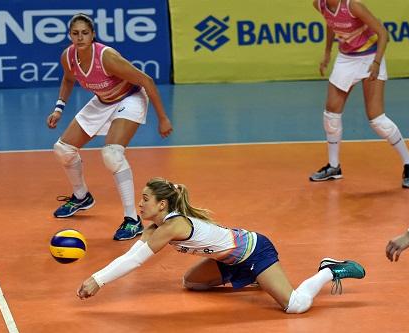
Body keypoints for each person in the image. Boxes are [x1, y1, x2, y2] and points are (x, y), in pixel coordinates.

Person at [77, 177, 365, 313]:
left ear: (162, 204)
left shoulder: (173, 225)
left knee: (295, 306)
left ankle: (328, 270)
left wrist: (97, 280)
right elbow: (133, 253)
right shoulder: (157, 226)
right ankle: (256, 279)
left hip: (254, 251)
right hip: (229, 259)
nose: (139, 203)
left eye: (145, 199)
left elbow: (135, 260)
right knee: (192, 283)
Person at [46, 13, 173, 241]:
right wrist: (58, 108)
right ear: (70, 35)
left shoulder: (106, 57)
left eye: (85, 33)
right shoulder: (69, 56)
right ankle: (82, 197)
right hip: (103, 101)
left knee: (112, 154)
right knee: (63, 149)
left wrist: (162, 118)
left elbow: (146, 81)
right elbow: (68, 79)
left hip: (130, 98)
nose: (80, 37)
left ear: (93, 34)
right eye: (75, 33)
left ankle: (132, 220)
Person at [309, 0, 409, 188]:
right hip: (346, 59)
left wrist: (376, 63)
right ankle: (334, 167)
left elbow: (383, 33)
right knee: (331, 113)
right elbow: (330, 23)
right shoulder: (319, 4)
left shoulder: (353, 6)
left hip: (370, 57)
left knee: (377, 119)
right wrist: (327, 53)